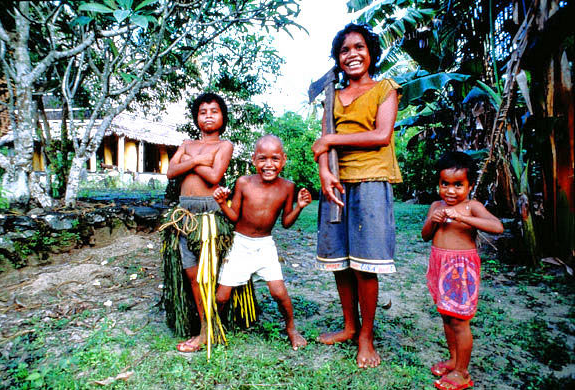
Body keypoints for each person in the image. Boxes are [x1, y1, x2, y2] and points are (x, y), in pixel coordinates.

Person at [311, 23, 402, 368]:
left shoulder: (385, 88)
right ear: (337, 58)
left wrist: (331, 142)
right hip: (336, 183)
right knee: (340, 261)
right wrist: (324, 172)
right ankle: (349, 327)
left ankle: (367, 335)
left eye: (359, 47)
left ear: (371, 52)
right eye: (344, 50)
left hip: (371, 182)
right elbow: (323, 139)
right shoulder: (331, 95)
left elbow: (381, 135)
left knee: (366, 265)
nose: (352, 54)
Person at [213, 134, 310, 350]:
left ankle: (291, 328)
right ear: (254, 159)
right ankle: (212, 328)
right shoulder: (244, 183)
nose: (269, 165)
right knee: (222, 296)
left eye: (275, 159)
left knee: (279, 292)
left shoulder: (287, 187)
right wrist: (222, 203)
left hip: (265, 246)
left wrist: (299, 207)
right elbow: (234, 217)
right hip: (240, 244)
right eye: (263, 159)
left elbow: (285, 223)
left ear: (283, 160)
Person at [421, 151, 504, 390]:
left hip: (460, 269)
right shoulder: (436, 206)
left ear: (469, 185)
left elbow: (496, 226)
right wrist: (433, 220)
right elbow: (426, 235)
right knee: (446, 316)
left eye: (458, 185)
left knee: (459, 321)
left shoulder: (471, 207)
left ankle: (462, 372)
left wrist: (464, 218)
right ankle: (454, 359)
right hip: (439, 265)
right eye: (445, 184)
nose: (450, 191)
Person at [166, 92, 234, 353]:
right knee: (192, 274)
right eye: (203, 111)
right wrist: (195, 160)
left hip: (209, 213)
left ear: (223, 117)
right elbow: (171, 172)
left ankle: (211, 328)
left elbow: (215, 175)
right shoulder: (187, 143)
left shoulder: (224, 146)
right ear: (196, 117)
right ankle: (204, 326)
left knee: (208, 274)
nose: (208, 115)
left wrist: (185, 162)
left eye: (214, 111)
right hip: (185, 214)